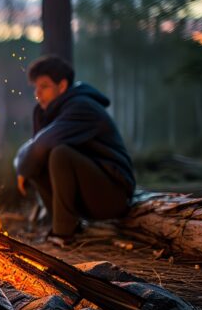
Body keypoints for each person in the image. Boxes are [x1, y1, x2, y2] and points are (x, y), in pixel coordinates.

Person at [14, 55, 135, 246]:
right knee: (36, 163)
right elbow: (35, 148)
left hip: (113, 196)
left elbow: (44, 142)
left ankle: (63, 234)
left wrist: (22, 168)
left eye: (44, 86)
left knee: (59, 153)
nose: (38, 93)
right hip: (87, 196)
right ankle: (65, 224)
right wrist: (25, 167)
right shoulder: (44, 112)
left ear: (62, 86)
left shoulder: (83, 107)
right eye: (36, 87)